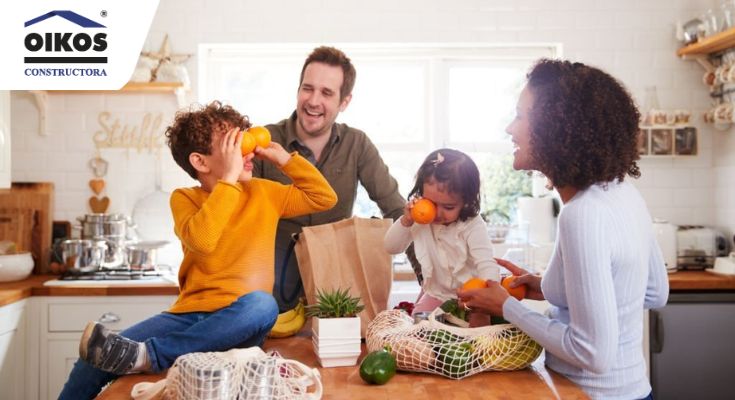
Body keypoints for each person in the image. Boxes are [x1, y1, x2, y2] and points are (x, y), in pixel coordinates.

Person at [58, 101, 337, 399]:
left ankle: (150, 355)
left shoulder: (264, 192)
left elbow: (324, 198)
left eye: (243, 137)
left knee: (263, 304)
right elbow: (203, 240)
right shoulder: (185, 198)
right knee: (95, 355)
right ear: (201, 162)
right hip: (189, 316)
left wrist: (284, 159)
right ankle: (143, 355)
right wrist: (228, 181)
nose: (247, 150)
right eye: (233, 144)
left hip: (241, 322)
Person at [457, 59, 669, 400]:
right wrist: (555, 286)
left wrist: (506, 306)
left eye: (521, 116)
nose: (510, 129)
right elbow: (653, 292)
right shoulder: (624, 192)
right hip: (635, 392)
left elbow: (592, 355)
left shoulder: (582, 214)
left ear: (557, 127)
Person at [253, 46, 415, 313]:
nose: (314, 101)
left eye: (327, 93)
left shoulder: (357, 144)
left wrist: (427, 283)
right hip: (269, 295)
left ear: (344, 102)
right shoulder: (265, 141)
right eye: (308, 88)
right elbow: (239, 216)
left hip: (334, 296)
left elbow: (398, 211)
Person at [384, 148, 500, 320]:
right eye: (431, 203)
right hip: (436, 294)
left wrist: (489, 298)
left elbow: (486, 264)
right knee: (419, 329)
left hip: (472, 298)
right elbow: (391, 247)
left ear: (466, 202)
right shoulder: (420, 219)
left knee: (478, 335)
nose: (437, 213)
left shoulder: (472, 224)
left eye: (448, 207)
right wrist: (406, 221)